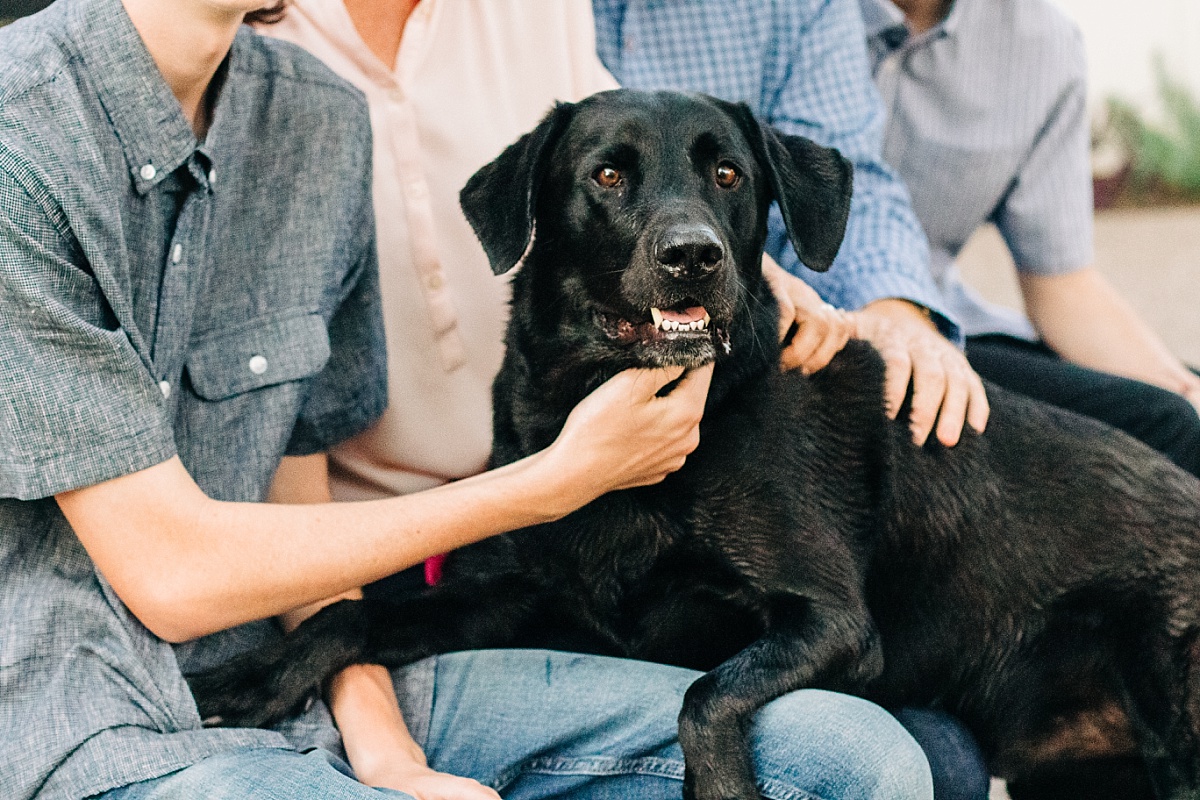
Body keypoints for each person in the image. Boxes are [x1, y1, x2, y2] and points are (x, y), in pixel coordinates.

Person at [0, 1, 935, 799]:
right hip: (86, 715)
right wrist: (556, 480)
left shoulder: (315, 120)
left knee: (863, 762)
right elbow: (170, 577)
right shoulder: (19, 135)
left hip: (326, 668)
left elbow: (297, 475)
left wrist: (380, 740)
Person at [591, 3, 993, 798]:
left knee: (1168, 420)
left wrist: (897, 309)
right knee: (939, 760)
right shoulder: (504, 23)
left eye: (725, 175)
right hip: (662, 356)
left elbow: (853, 175)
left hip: (778, 334)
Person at [859, 0, 1200, 478]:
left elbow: (1061, 284)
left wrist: (1183, 387)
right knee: (1166, 424)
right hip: (807, 318)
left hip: (938, 323)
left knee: (1183, 405)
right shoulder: (793, 18)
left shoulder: (1043, 45)